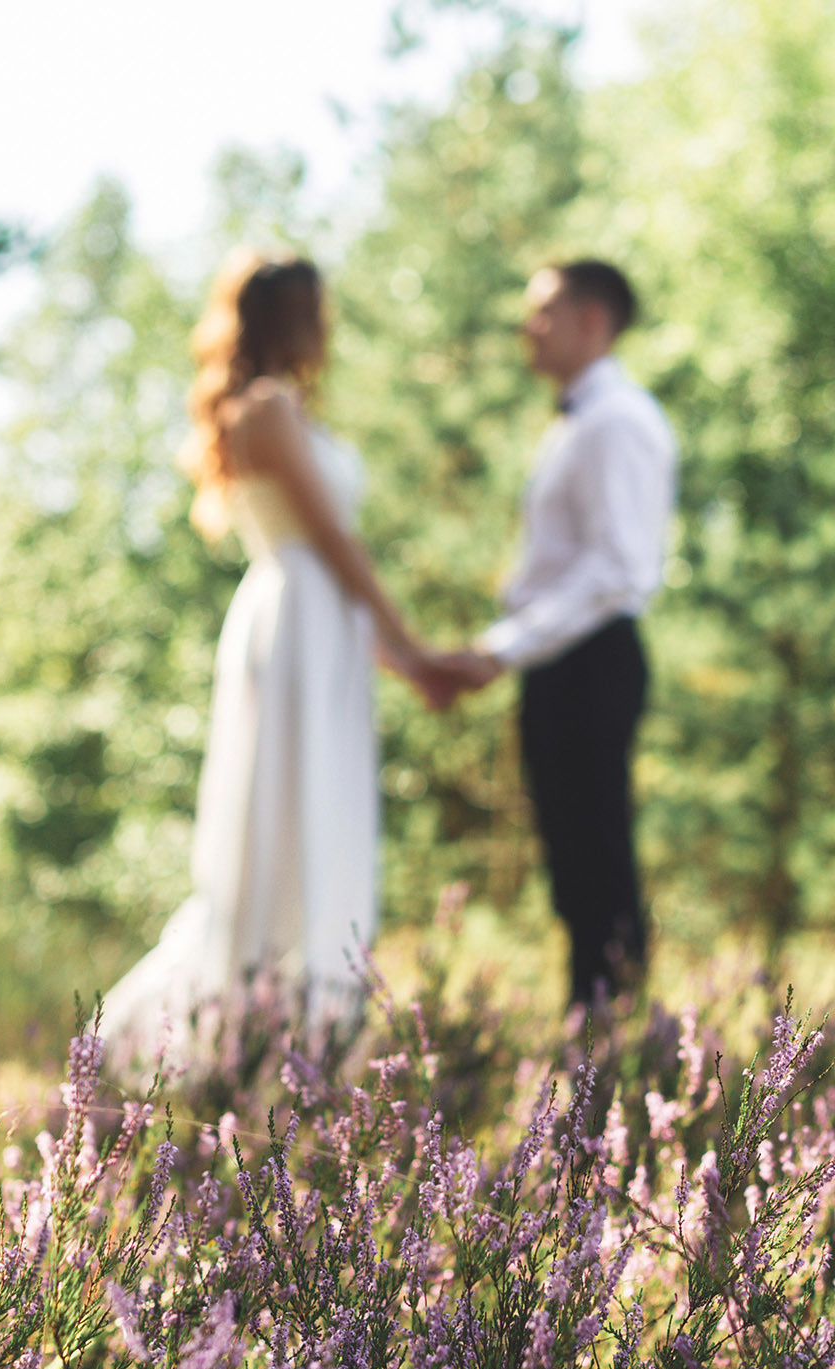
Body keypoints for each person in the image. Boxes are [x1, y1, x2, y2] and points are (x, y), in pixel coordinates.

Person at [99, 252, 449, 1056]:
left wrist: (385, 649)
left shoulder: (270, 410)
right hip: (296, 620)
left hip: (314, 625)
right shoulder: (269, 408)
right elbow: (330, 539)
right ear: (294, 318)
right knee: (288, 818)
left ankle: (294, 1031)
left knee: (312, 810)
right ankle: (247, 1030)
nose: (325, 330)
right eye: (316, 313)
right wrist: (410, 643)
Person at [436, 260, 678, 1013]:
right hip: (560, 660)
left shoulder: (618, 421)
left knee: (598, 855)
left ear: (593, 321)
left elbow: (616, 568)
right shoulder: (581, 420)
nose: (526, 325)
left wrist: (502, 646)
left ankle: (614, 1038)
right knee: (572, 860)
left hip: (591, 659)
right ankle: (595, 1034)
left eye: (543, 310)